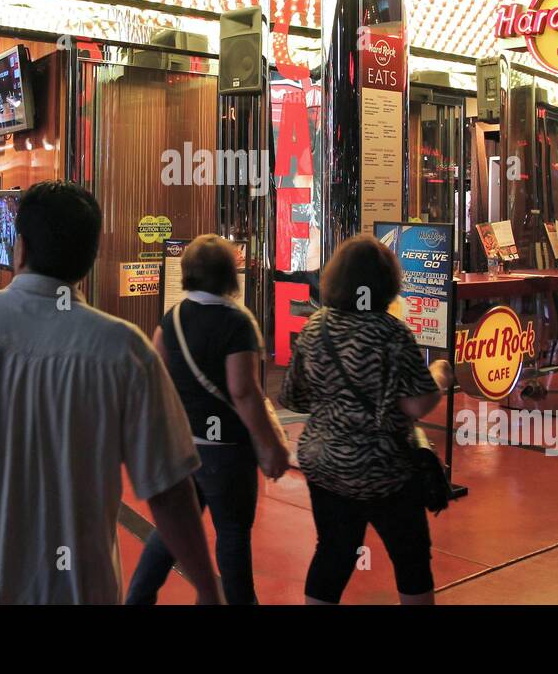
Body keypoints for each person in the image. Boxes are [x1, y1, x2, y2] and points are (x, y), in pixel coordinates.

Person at [0, 180, 222, 604]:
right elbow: (169, 492)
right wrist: (209, 589)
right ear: (91, 259)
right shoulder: (124, 349)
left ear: (21, 247)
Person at [278, 234, 444, 605]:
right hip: (383, 467)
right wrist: (441, 376)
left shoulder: (314, 328)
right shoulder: (392, 333)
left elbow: (294, 397)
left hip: (326, 465)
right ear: (387, 283)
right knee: (411, 556)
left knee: (334, 552)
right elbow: (417, 405)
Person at [126, 234, 290, 605]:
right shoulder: (237, 323)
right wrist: (271, 445)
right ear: (230, 275)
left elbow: (156, 378)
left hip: (184, 448)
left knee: (172, 532)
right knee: (232, 536)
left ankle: (139, 597)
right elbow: (244, 392)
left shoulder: (173, 319)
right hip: (228, 454)